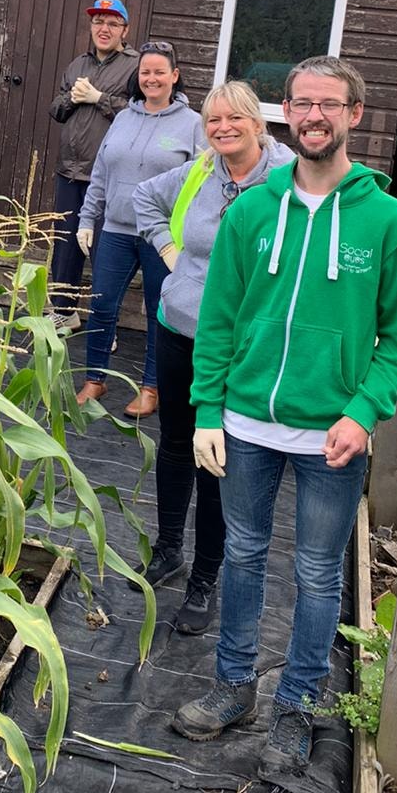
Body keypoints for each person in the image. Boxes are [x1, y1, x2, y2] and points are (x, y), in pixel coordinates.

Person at [171, 56, 397, 779]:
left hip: (332, 436)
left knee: (317, 573)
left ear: (353, 115)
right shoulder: (252, 211)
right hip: (246, 424)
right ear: (287, 111)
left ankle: (298, 704)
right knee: (243, 555)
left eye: (329, 105)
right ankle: (233, 686)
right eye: (303, 103)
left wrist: (363, 413)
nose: (314, 116)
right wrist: (208, 409)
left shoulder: (389, 221)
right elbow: (218, 322)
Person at [132, 82, 295, 634]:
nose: (223, 128)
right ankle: (168, 550)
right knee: (177, 444)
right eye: (213, 120)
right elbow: (144, 198)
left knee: (218, 460)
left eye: (234, 118)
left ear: (258, 123)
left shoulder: (287, 180)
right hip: (179, 327)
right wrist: (170, 253)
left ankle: (204, 580)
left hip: (239, 346)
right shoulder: (201, 171)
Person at [75, 41, 204, 417]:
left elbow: (202, 181)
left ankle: (151, 387)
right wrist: (87, 219)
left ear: (174, 76)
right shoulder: (123, 118)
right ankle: (94, 379)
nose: (152, 78)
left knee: (157, 311)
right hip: (116, 230)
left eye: (159, 72)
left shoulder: (193, 124)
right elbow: (101, 172)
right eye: (145, 72)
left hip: (161, 236)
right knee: (102, 305)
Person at [47, 0, 140, 325]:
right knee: (65, 247)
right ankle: (64, 312)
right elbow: (56, 110)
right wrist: (71, 98)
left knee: (105, 251)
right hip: (69, 171)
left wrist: (99, 98)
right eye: (98, 22)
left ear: (125, 30)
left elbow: (140, 112)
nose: (104, 29)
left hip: (109, 176)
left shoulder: (135, 66)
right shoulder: (78, 64)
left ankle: (104, 325)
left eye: (113, 23)